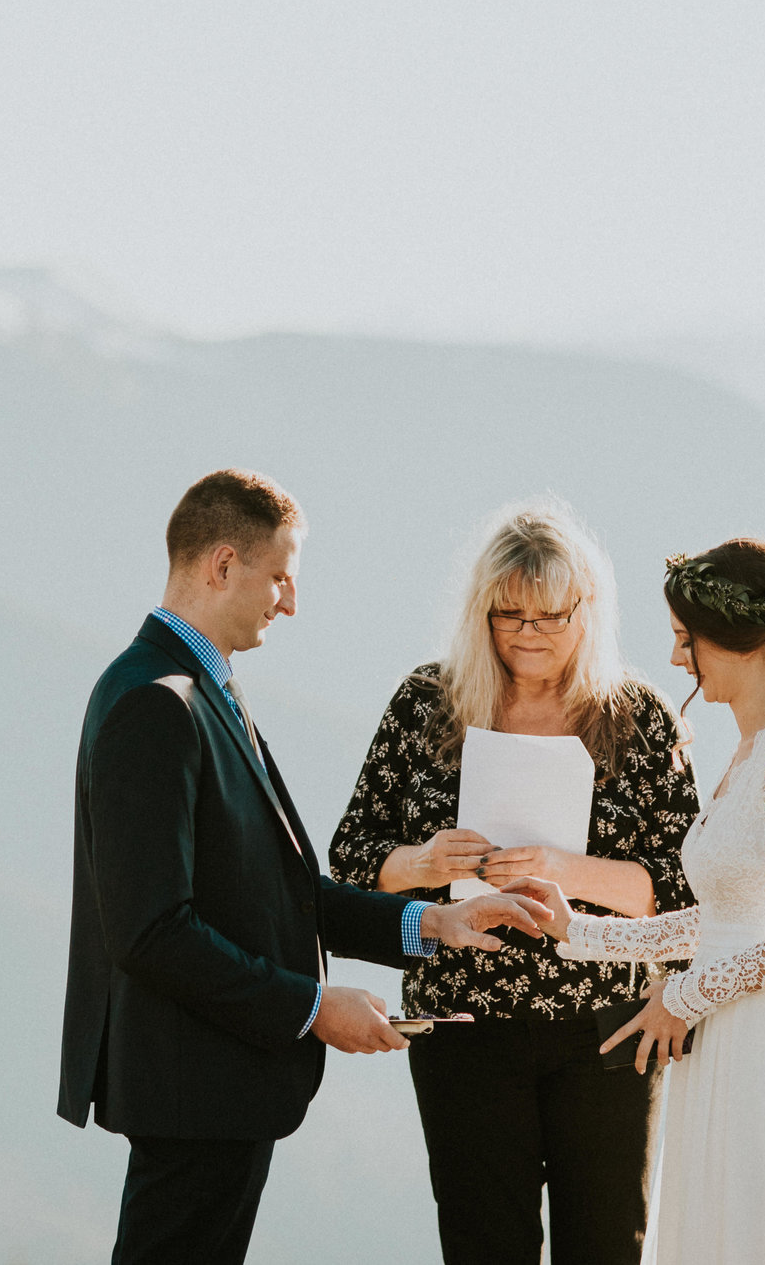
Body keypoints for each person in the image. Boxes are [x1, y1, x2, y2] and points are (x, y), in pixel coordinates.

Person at [57, 469, 554, 1265]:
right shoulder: (157, 700)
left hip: (217, 1082)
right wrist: (314, 1006)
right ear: (223, 563)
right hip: (193, 1086)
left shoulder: (202, 687)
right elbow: (151, 930)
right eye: (281, 575)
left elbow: (277, 889)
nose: (290, 601)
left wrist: (430, 922)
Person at [330, 503, 702, 1265]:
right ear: (481, 612)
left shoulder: (641, 720)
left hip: (607, 1028)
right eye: (508, 613)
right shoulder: (425, 703)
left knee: (606, 1245)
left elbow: (689, 889)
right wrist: (426, 861)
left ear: (586, 612)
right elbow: (350, 856)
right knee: (482, 1244)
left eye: (550, 614)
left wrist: (562, 870)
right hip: (464, 1029)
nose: (528, 630)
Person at [512, 532, 765, 1265]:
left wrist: (692, 993)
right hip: (724, 1033)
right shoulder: (749, 748)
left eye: (686, 639)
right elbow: (729, 916)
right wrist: (577, 930)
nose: (678, 660)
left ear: (733, 638)